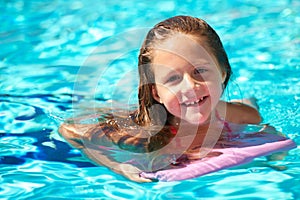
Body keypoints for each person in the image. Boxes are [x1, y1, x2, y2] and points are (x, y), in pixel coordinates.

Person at [59, 16, 262, 182]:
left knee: (249, 103)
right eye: (173, 78)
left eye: (200, 71)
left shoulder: (238, 115)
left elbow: (263, 128)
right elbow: (69, 130)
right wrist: (118, 166)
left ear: (223, 73)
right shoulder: (142, 133)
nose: (190, 86)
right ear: (156, 93)